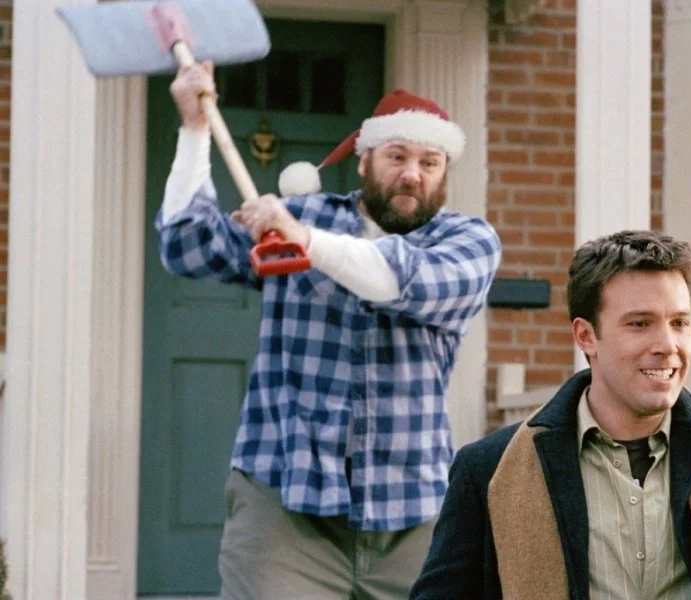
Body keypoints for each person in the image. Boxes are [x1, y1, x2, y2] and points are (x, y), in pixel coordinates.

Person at [156, 61, 502, 600]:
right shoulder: (300, 216)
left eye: (429, 161)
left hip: (414, 516)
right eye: (396, 156)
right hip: (284, 508)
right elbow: (186, 244)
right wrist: (195, 126)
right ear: (364, 160)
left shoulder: (468, 241)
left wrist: (305, 242)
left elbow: (404, 279)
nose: (412, 173)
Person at [410, 230, 691, 600]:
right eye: (640, 324)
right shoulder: (488, 470)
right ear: (586, 336)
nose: (668, 345)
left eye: (679, 323)